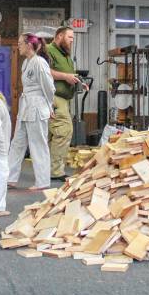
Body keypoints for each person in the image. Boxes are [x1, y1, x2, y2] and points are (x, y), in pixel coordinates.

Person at [7, 33, 55, 190]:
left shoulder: (40, 63)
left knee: (38, 144)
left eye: (20, 43)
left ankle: (43, 182)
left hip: (38, 106)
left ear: (29, 45)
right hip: (26, 106)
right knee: (17, 143)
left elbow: (49, 88)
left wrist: (50, 106)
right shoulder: (26, 63)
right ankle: (10, 178)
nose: (18, 46)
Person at [46, 26, 88, 181]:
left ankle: (50, 170)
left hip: (63, 98)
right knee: (63, 131)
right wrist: (65, 76)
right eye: (69, 37)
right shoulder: (48, 50)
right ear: (59, 36)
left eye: (72, 38)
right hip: (54, 97)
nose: (72, 40)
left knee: (54, 135)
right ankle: (56, 172)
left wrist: (79, 82)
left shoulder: (65, 55)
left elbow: (68, 75)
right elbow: (45, 71)